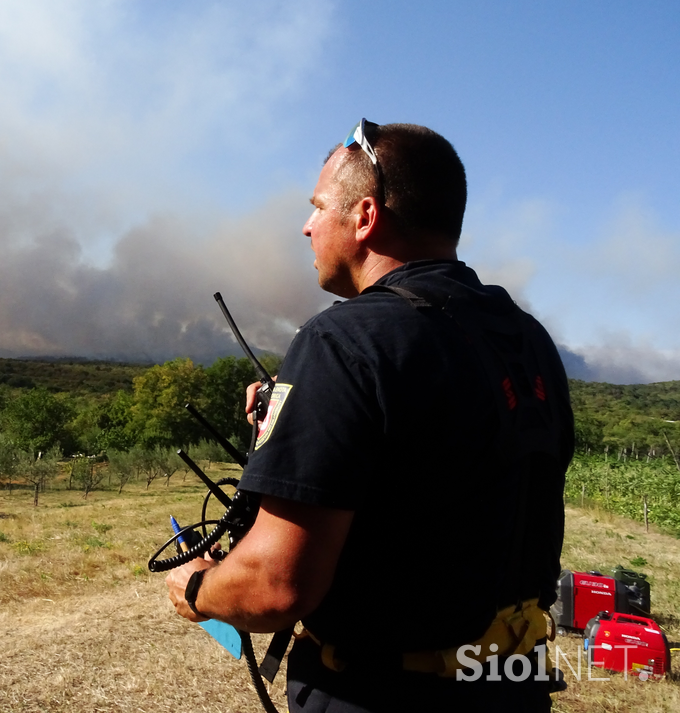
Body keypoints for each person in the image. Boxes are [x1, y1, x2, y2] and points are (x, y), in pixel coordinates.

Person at [164, 120, 574, 712]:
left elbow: (278, 586)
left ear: (364, 216)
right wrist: (305, 416)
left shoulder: (342, 340)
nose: (307, 226)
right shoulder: (528, 339)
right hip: (513, 687)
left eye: (317, 208)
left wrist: (197, 587)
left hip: (381, 694)